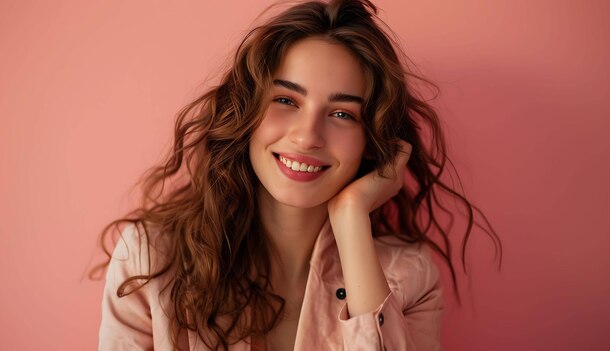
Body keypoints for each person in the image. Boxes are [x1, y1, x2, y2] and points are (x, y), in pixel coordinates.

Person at [92, 0, 501, 350]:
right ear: (245, 113)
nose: (307, 136)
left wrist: (351, 216)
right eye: (286, 99)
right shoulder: (150, 259)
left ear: (372, 139)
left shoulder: (410, 275)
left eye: (342, 114)